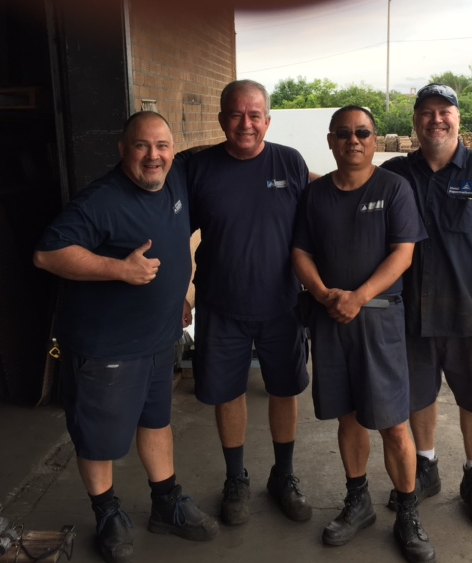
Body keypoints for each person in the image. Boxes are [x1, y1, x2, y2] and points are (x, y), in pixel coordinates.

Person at [32, 111, 217, 563]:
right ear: (122, 150)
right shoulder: (101, 200)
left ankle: (166, 502)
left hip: (158, 340)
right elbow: (47, 254)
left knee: (156, 422)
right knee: (99, 439)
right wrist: (119, 269)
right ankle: (107, 513)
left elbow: (216, 153)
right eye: (141, 146)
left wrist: (176, 296)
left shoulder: (176, 178)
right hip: (106, 349)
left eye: (162, 146)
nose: (153, 156)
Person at [381, 84, 472, 532]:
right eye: (426, 112)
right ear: (415, 121)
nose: (436, 120)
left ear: (458, 119)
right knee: (418, 396)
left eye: (444, 111)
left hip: (470, 313)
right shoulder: (395, 174)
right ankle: (425, 466)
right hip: (409, 313)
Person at [292, 106, 436, 563]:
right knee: (347, 416)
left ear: (374, 140)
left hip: (378, 319)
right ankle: (358, 502)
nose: (353, 140)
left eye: (362, 133)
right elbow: (300, 251)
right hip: (330, 319)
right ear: (330, 141)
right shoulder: (315, 195)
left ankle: (407, 512)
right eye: (343, 133)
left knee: (393, 422)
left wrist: (358, 296)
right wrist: (322, 294)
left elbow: (403, 254)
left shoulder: (394, 188)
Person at [187, 79, 312, 526]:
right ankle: (235, 478)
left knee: (284, 389)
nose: (246, 124)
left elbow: (316, 223)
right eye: (236, 115)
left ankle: (283, 475)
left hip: (283, 304)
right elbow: (175, 234)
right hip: (221, 306)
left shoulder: (290, 162)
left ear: (267, 121)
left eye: (254, 115)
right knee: (228, 393)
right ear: (222, 119)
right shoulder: (199, 169)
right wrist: (181, 294)